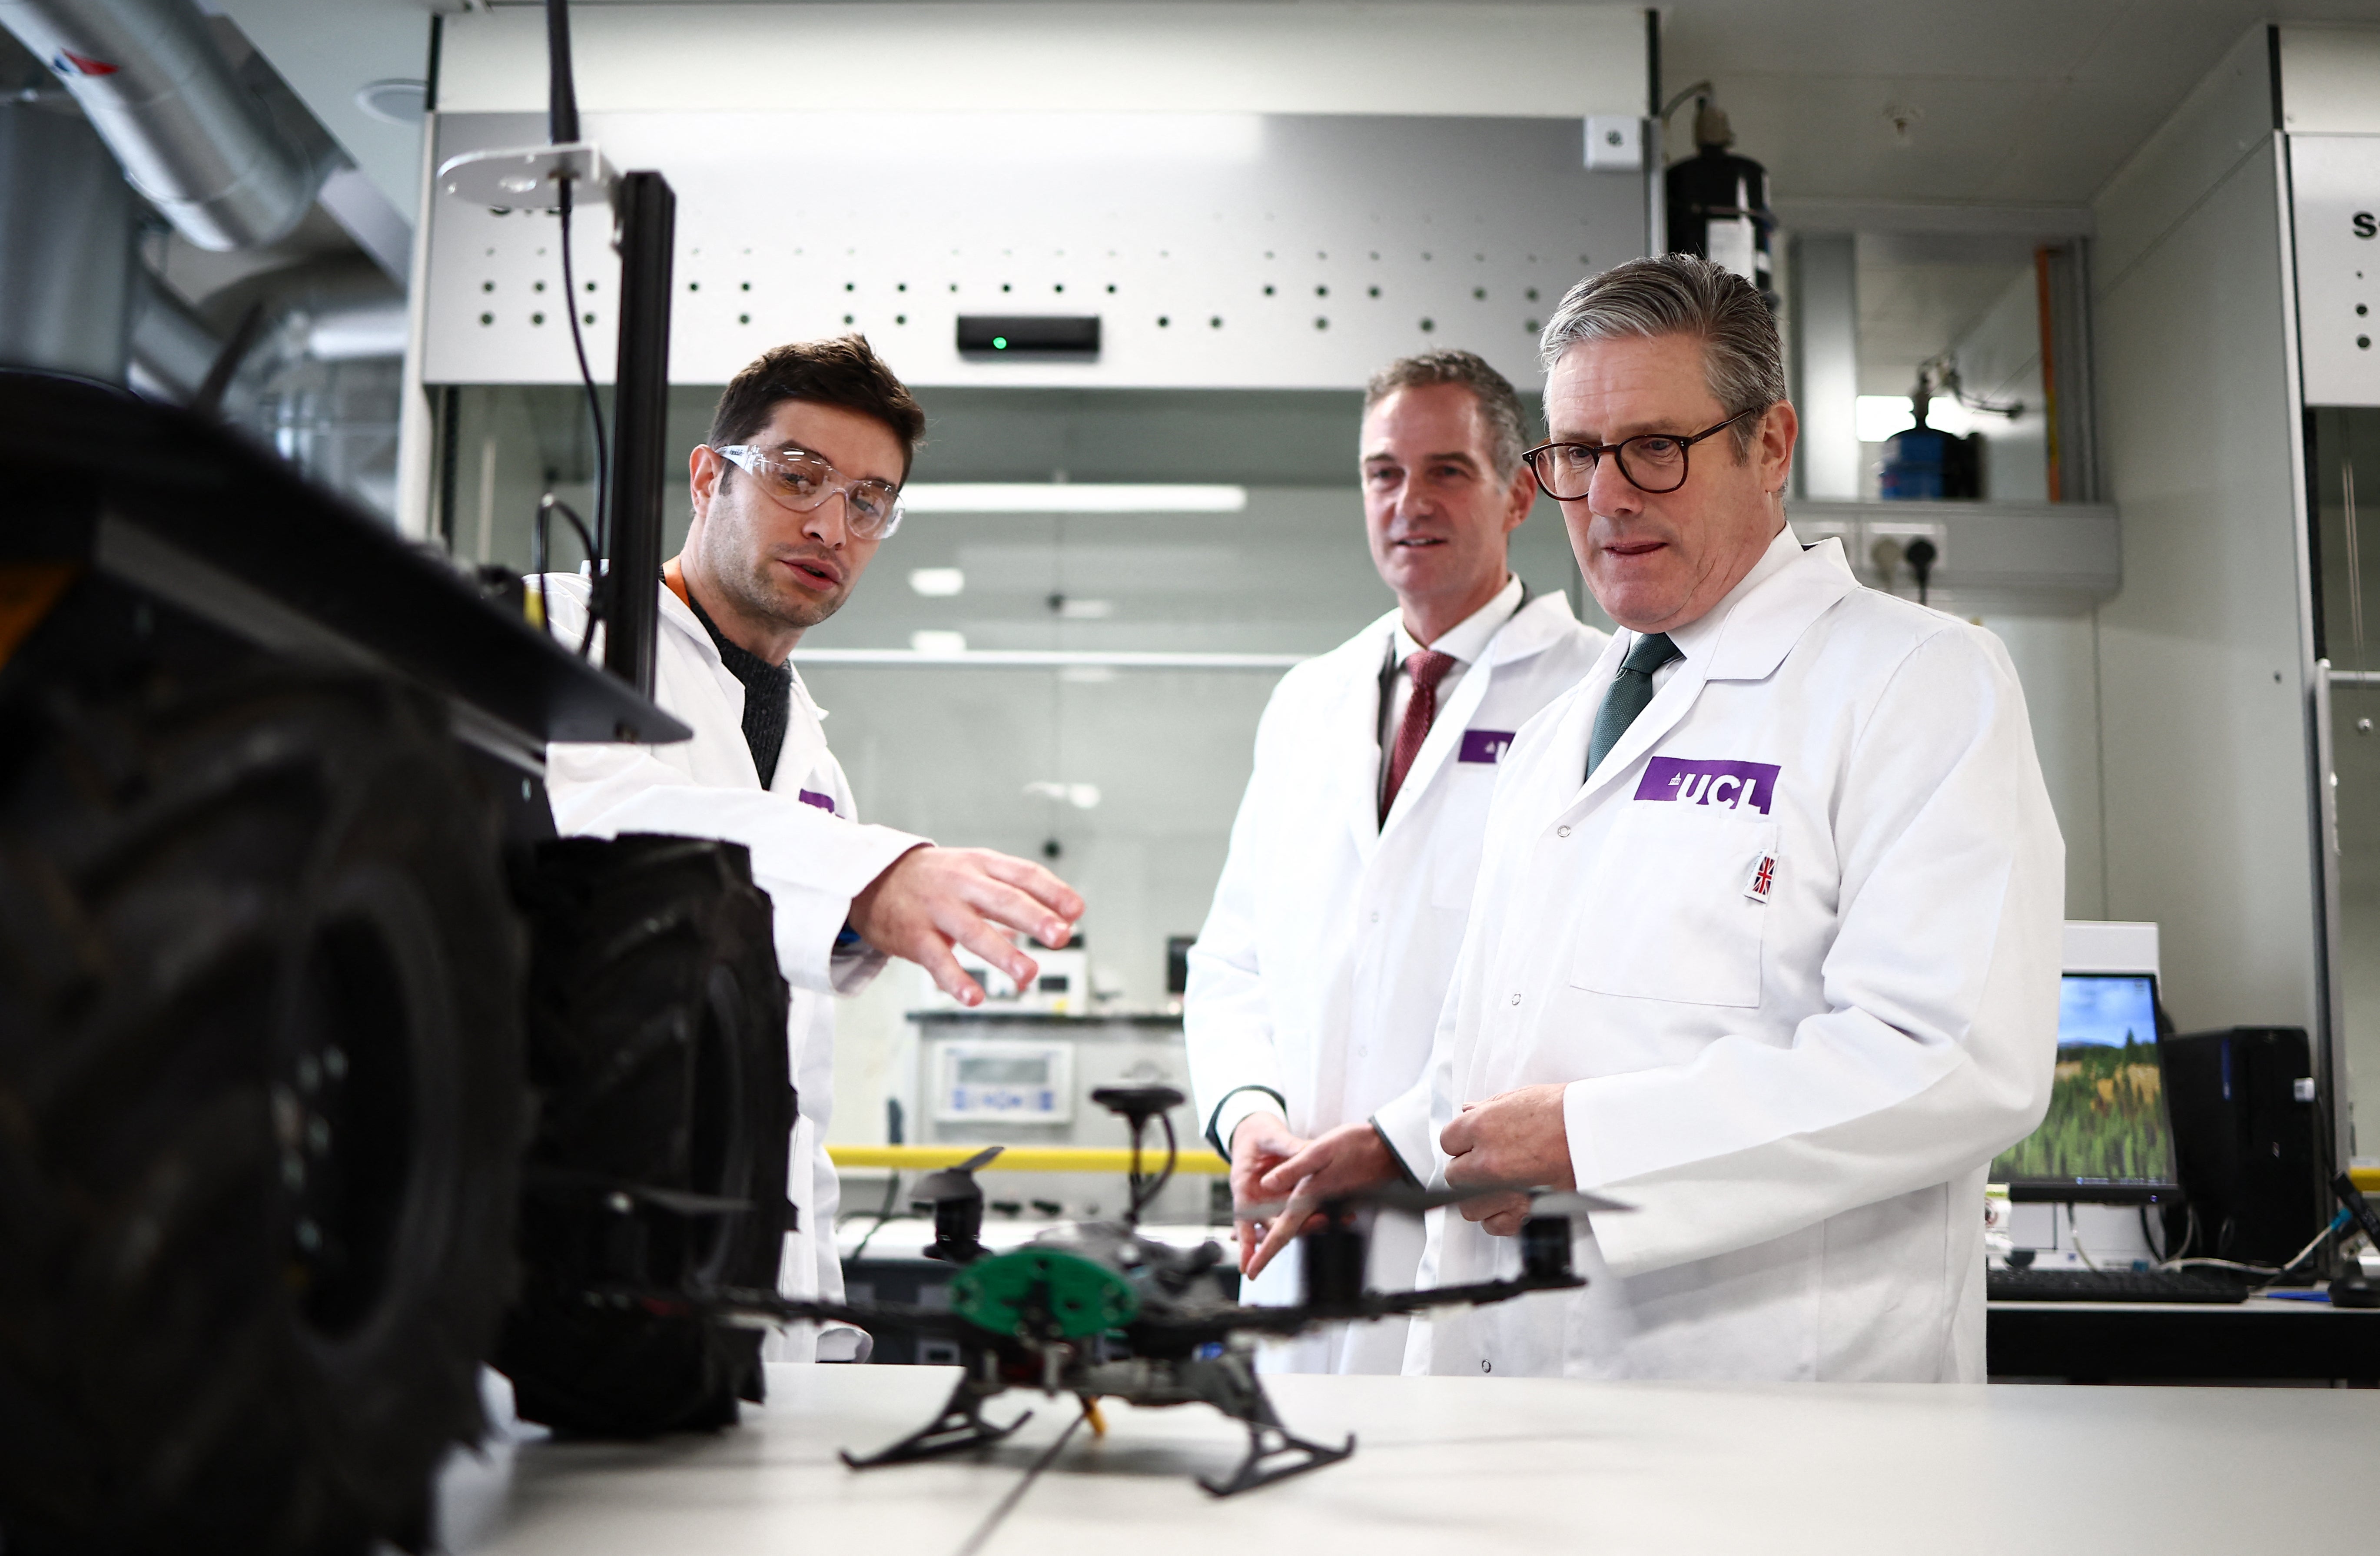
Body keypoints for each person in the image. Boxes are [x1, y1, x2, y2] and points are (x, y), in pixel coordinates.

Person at [1255, 256, 2061, 1381]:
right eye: (1577, 454)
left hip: (1773, 1409)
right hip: (1517, 1383)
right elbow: (1496, 1039)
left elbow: (1951, 1058)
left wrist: (1590, 1141)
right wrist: (1391, 1144)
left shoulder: (1915, 681)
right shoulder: (1561, 726)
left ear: (1768, 445)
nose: (1608, 495)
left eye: (1653, 448)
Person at [540, 335, 1084, 1361]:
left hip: (759, 1292)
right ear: (710, 476)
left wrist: (820, 1306)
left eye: (870, 500)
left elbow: (796, 1076)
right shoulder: (569, 631)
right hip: (590, 1262)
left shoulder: (804, 740)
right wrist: (866, 874)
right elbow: (601, 827)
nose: (832, 523)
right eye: (798, 477)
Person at [1186, 350, 1608, 1373]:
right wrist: (1249, 1117)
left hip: (1467, 1228)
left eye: (1447, 470)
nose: (1408, 501)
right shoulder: (1308, 700)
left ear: (1517, 494)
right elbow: (1235, 958)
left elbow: (1584, 997)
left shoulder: (1593, 694)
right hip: (1293, 1224)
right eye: (1384, 472)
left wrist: (1393, 1137)